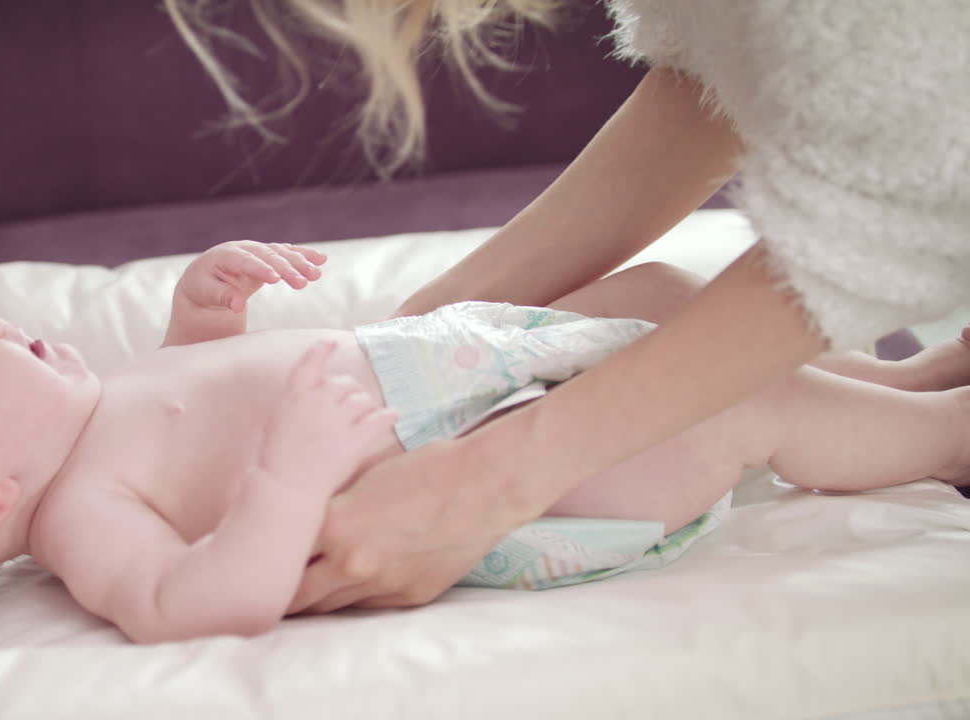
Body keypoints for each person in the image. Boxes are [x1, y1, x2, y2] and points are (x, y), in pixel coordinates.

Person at [0, 241, 970, 643]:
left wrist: (205, 309)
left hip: (496, 383)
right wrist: (286, 477)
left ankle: (881, 385)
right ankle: (938, 436)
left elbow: (191, 386)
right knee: (725, 408)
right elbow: (194, 601)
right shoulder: (80, 524)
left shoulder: (102, 407)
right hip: (517, 489)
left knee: (650, 298)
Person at [164, 0, 970, 613]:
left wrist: (490, 477)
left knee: (666, 312)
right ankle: (927, 419)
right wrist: (438, 316)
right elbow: (719, 73)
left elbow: (898, 191)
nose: (32, 337)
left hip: (458, 432)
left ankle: (914, 418)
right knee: (715, 387)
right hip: (452, 428)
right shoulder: (76, 514)